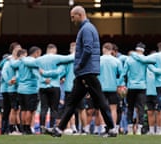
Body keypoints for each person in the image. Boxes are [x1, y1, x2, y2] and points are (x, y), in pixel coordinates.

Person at [50, 5, 117, 137]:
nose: (72, 19)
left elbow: (87, 49)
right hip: (85, 73)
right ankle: (59, 129)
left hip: (87, 72)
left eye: (72, 16)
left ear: (79, 15)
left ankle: (112, 129)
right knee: (71, 102)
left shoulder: (86, 29)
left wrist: (79, 65)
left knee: (100, 100)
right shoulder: (87, 28)